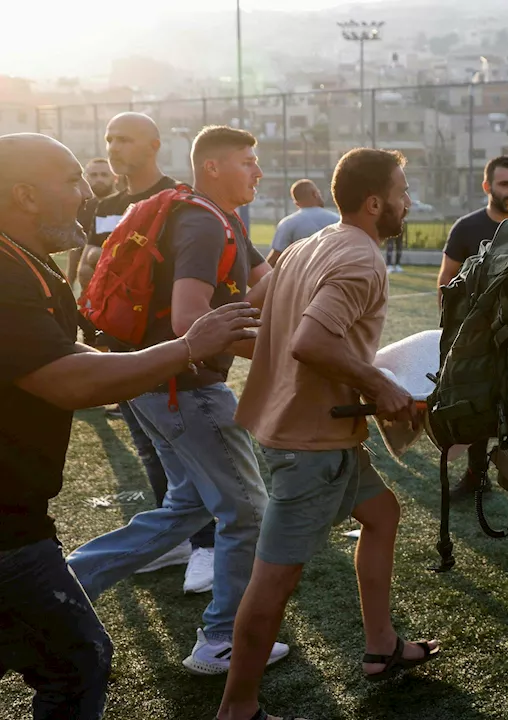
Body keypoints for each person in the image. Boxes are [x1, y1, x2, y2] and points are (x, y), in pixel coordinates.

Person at [0, 132, 259, 720]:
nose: (87, 192)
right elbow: (68, 381)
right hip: (7, 528)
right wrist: (187, 348)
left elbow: (79, 362)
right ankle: (222, 638)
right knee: (78, 661)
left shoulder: (27, 262)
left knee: (187, 508)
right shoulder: (5, 272)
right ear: (25, 195)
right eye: (71, 181)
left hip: (19, 518)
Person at [218, 147, 441, 720]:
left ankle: (381, 646)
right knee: (275, 579)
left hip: (309, 430)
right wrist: (378, 383)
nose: (408, 202)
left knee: (382, 514)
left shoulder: (304, 246)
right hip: (308, 444)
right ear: (375, 203)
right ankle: (237, 708)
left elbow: (254, 312)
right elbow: (311, 342)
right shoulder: (361, 260)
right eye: (402, 193)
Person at [66, 125, 290, 673]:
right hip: (186, 389)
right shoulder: (203, 223)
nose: (258, 171)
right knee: (247, 511)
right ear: (212, 167)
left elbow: (269, 281)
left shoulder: (222, 218)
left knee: (187, 504)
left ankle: (65, 580)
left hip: (157, 388)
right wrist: (285, 355)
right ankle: (221, 640)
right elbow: (192, 323)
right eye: (248, 161)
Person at [80, 113, 222, 592]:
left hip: (167, 348)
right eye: (109, 139)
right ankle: (180, 540)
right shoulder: (106, 205)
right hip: (120, 348)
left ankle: (207, 545)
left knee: (188, 453)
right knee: (149, 447)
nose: (115, 147)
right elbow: (94, 267)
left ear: (155, 145)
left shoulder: (177, 200)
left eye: (126, 139)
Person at [437, 155, 508, 502]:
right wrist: (454, 337)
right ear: (487, 187)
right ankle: (476, 476)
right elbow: (446, 283)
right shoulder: (466, 228)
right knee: (475, 405)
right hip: (476, 340)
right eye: (505, 184)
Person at [264, 179, 339, 266]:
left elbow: (275, 257)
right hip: (330, 275)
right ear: (315, 194)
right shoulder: (337, 220)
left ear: (296, 202)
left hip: (298, 277)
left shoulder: (288, 223)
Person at [68, 157, 115, 291]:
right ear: (86, 178)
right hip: (88, 283)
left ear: (114, 177)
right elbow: (76, 248)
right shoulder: (82, 207)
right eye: (94, 175)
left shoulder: (125, 206)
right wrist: (70, 282)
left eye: (104, 175)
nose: (99, 179)